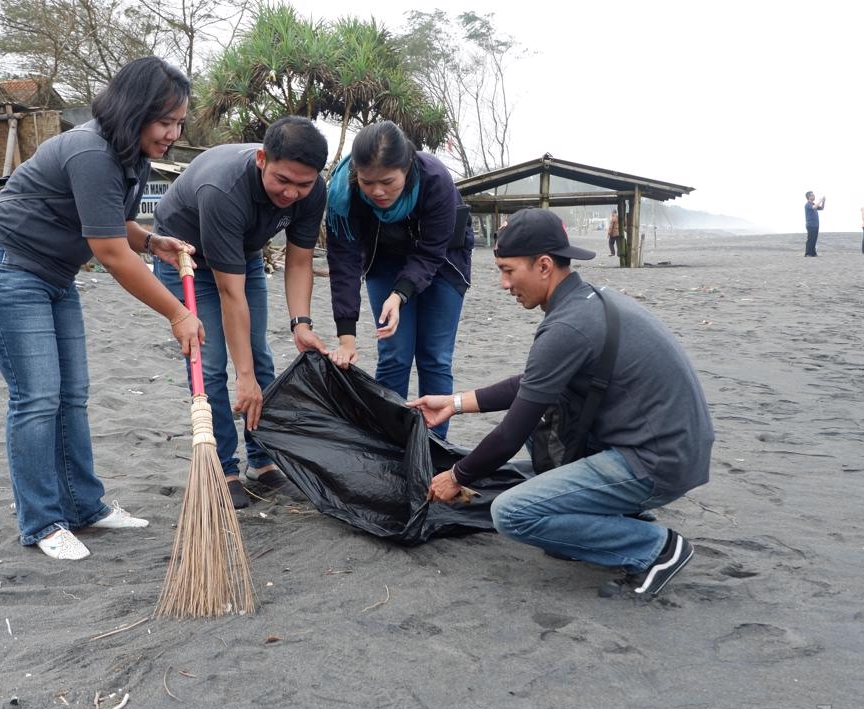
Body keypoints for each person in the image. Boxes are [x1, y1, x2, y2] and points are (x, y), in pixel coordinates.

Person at [0, 57, 201, 560]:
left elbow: (115, 224)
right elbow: (110, 252)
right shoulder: (90, 151)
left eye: (179, 122)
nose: (173, 133)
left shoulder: (131, 153)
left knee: (73, 395)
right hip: (3, 265)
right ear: (134, 112)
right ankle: (42, 521)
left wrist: (151, 241)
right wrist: (177, 313)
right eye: (165, 121)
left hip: (53, 273)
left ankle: (85, 506)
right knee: (37, 397)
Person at [407, 209, 714, 597]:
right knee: (542, 445)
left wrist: (456, 477)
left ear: (544, 265)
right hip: (672, 446)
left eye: (507, 270)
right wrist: (455, 402)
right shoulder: (587, 301)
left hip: (659, 462)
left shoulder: (568, 326)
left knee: (512, 512)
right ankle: (621, 513)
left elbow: (510, 434)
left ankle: (655, 548)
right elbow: (534, 384)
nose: (503, 284)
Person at [152, 116, 330, 508]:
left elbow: (299, 262)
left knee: (259, 357)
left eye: (304, 184)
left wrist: (301, 324)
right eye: (283, 180)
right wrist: (243, 377)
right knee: (213, 362)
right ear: (262, 159)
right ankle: (223, 468)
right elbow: (229, 294)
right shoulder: (225, 188)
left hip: (244, 253)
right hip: (184, 252)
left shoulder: (312, 191)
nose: (292, 193)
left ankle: (263, 463)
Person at [325, 120, 474, 438]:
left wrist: (399, 295)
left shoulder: (435, 178)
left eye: (388, 182)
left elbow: (432, 252)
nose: (377, 191)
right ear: (356, 174)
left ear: (407, 168)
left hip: (444, 259)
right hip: (385, 259)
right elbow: (344, 264)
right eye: (368, 182)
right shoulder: (345, 193)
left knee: (435, 356)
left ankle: (434, 446)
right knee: (394, 354)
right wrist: (346, 337)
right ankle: (389, 442)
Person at [804, 191, 825, 256]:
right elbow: (814, 207)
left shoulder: (813, 204)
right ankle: (807, 253)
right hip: (810, 225)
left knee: (814, 240)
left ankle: (813, 253)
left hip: (816, 225)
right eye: (812, 195)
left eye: (813, 195)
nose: (814, 196)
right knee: (810, 239)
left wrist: (823, 201)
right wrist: (820, 201)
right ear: (809, 197)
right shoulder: (807, 205)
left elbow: (821, 208)